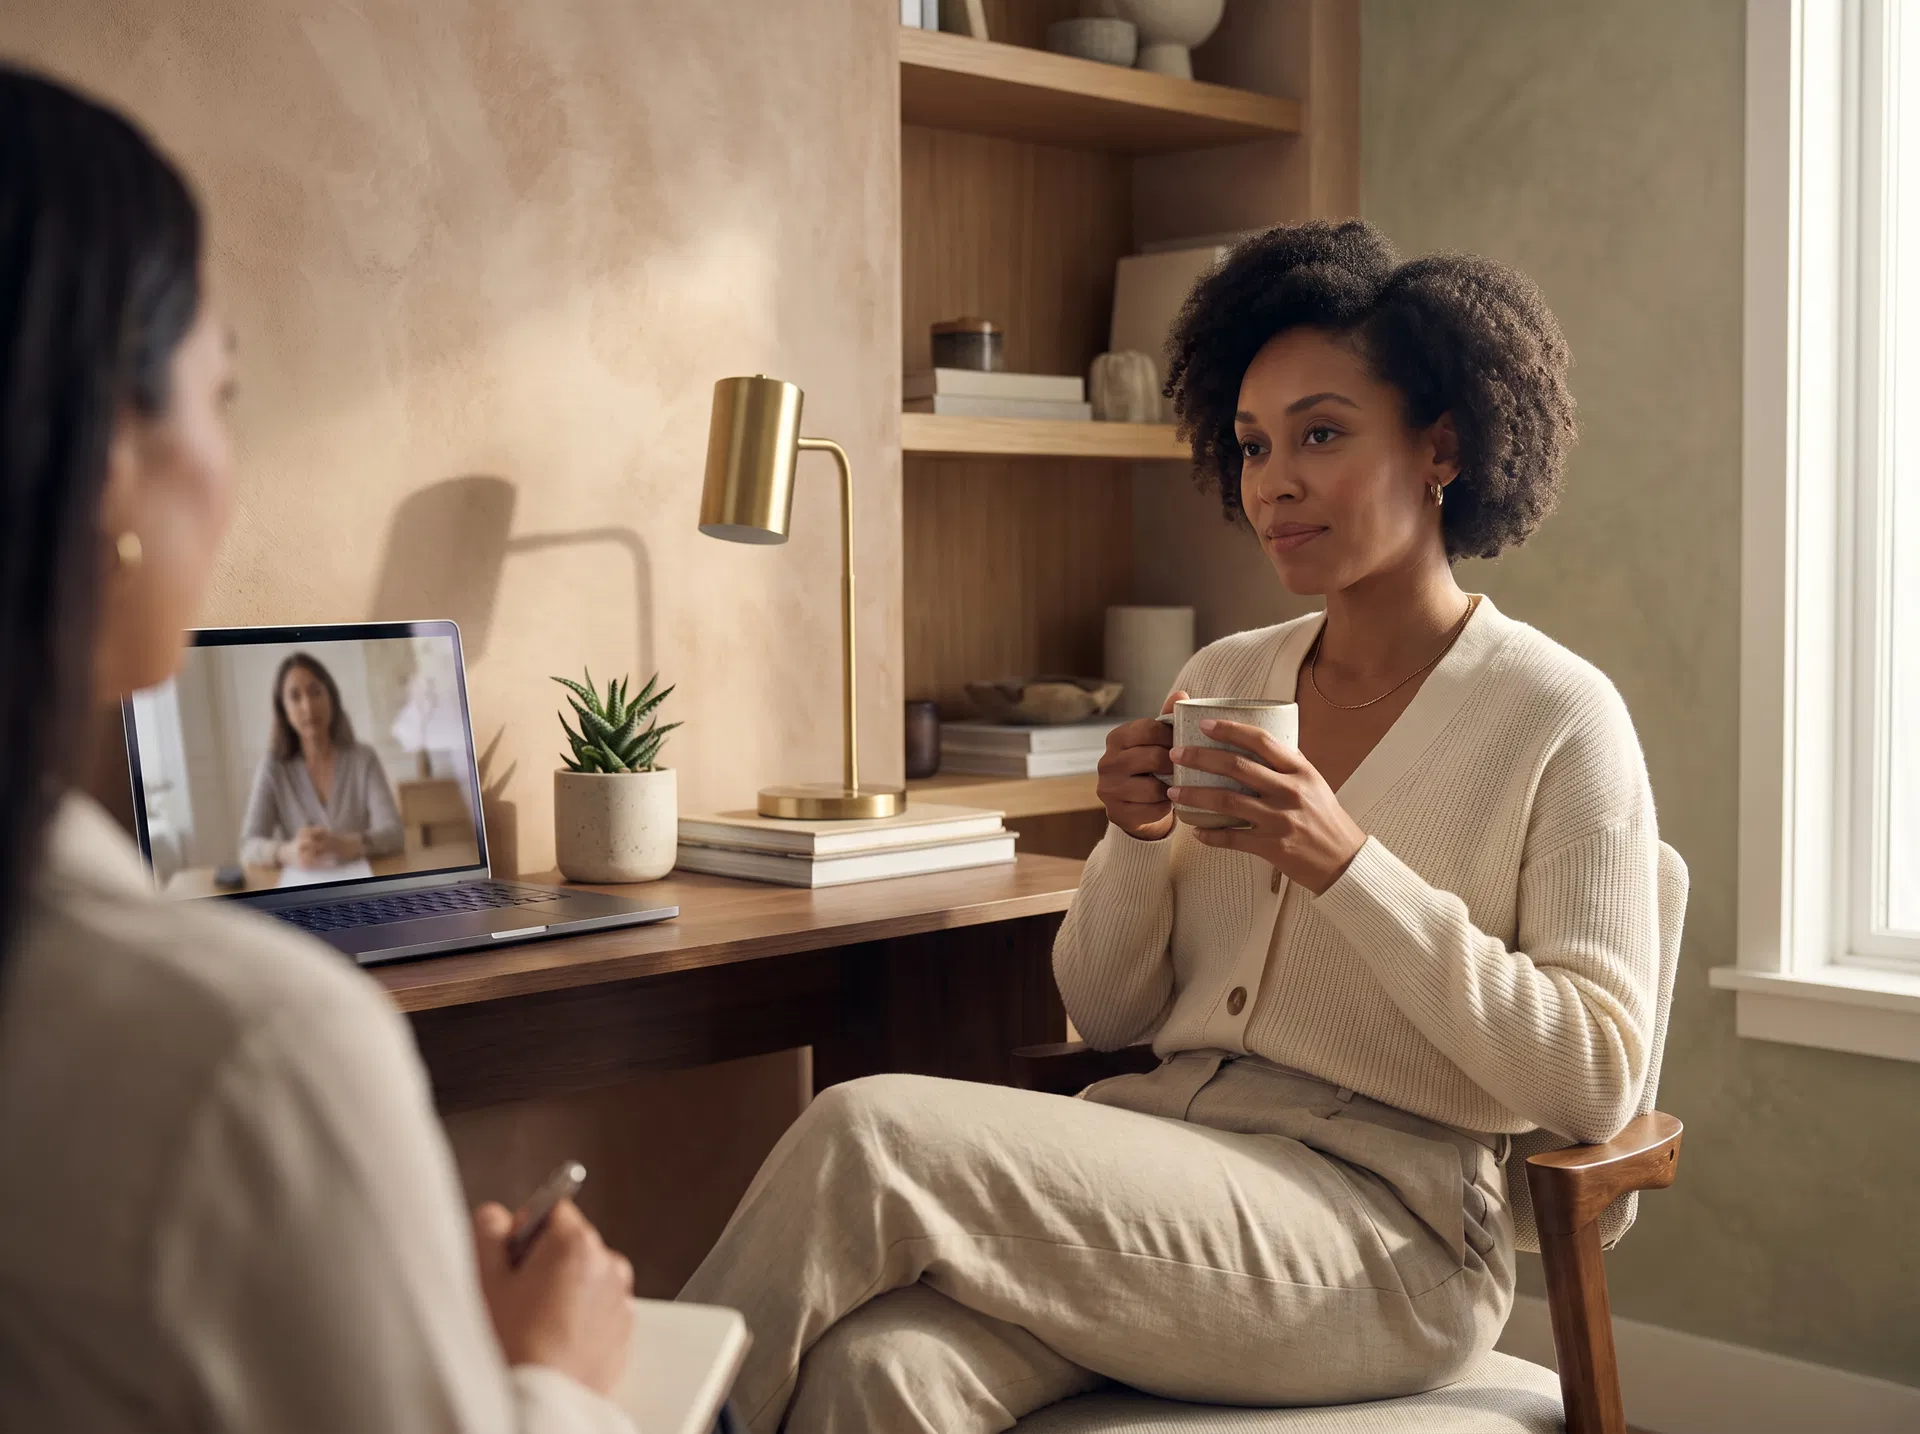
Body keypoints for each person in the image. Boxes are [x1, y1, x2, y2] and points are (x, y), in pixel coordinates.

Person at [681, 219, 1659, 1433]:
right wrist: (1134, 844)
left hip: (1387, 1241)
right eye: (1253, 444)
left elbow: (1597, 1080)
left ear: (1443, 443)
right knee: (878, 1372)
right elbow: (1118, 1009)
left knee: (867, 1133)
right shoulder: (1230, 673)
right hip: (1167, 1169)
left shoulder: (1558, 716)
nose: (1273, 481)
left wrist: (1344, 861)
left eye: (1321, 433)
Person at [0, 64, 641, 1431]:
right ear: (111, 456)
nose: (226, 455)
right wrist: (549, 1374)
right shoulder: (248, 1057)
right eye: (219, 392)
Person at [239, 650, 406, 869]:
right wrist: (286, 852)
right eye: (295, 697)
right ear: (284, 710)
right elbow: (248, 846)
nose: (307, 706)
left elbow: (395, 834)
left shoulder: (364, 759)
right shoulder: (273, 766)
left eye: (315, 691)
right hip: (304, 890)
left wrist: (351, 844)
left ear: (331, 697)